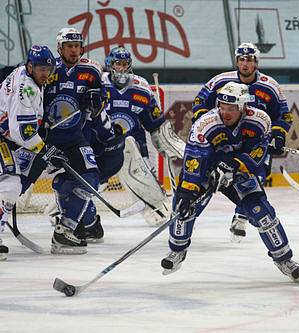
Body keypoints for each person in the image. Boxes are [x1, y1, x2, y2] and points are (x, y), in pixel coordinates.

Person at [160, 82, 299, 281]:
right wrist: (187, 191)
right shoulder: (204, 124)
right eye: (222, 106)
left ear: (243, 106)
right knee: (184, 207)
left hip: (239, 172)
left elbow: (256, 154)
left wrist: (232, 168)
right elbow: (194, 159)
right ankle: (177, 251)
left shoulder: (260, 120)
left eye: (231, 108)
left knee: (263, 214)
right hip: (207, 169)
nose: (225, 112)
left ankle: (284, 260)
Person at [192, 42, 292, 242]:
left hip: (252, 143)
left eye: (249, 60)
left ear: (256, 62)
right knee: (206, 180)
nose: (245, 64)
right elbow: (199, 102)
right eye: (241, 59)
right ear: (237, 61)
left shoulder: (269, 85)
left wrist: (278, 135)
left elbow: (283, 116)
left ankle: (241, 216)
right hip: (223, 143)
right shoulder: (221, 81)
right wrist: (207, 125)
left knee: (255, 178)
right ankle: (188, 217)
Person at [43, 27, 109, 254]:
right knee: (15, 182)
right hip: (44, 139)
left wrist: (97, 100)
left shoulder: (91, 70)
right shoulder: (48, 67)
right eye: (69, 46)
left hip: (74, 138)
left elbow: (101, 103)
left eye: (77, 46)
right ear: (59, 48)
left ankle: (65, 229)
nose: (74, 50)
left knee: (90, 176)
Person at [101, 46, 184, 226]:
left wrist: (167, 145)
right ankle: (69, 212)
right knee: (95, 182)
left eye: (125, 64)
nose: (121, 68)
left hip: (135, 147)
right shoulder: (98, 85)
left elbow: (155, 125)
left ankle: (154, 209)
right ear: (110, 65)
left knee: (144, 178)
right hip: (101, 146)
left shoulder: (142, 88)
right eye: (118, 64)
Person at [0, 45, 56, 260]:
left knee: (12, 184)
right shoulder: (26, 89)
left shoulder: (28, 74)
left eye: (48, 70)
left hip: (7, 136)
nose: (46, 74)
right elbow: (22, 134)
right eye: (41, 69)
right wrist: (45, 149)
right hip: (6, 137)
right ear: (31, 66)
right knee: (11, 184)